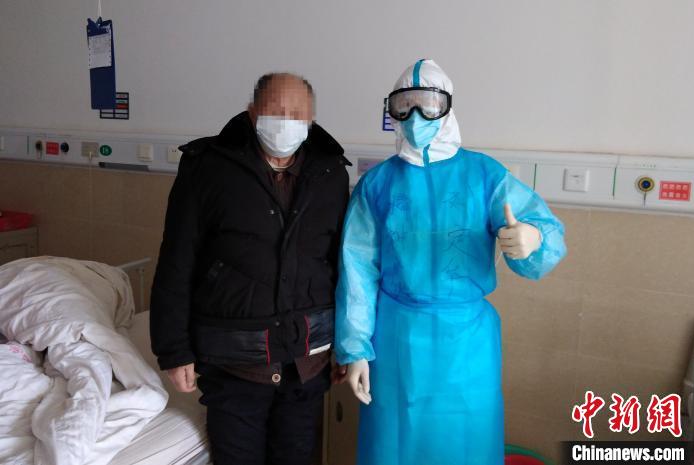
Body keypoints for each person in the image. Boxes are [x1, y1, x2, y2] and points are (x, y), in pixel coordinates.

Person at [334, 59, 567, 465]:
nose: (416, 116)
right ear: (391, 112)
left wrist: (533, 239)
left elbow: (544, 232)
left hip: (467, 343)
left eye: (428, 104)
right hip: (396, 339)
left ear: (447, 107)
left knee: (465, 444)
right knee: (394, 444)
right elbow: (357, 270)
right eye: (404, 106)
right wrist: (355, 349)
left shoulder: (485, 175)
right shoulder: (378, 184)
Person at [150, 72, 350, 465]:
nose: (286, 121)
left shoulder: (330, 173)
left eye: (297, 114)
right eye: (276, 110)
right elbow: (176, 260)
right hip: (233, 361)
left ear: (311, 121)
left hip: (307, 361)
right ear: (252, 111)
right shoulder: (207, 167)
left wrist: (347, 344)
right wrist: (173, 349)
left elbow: (342, 266)